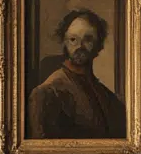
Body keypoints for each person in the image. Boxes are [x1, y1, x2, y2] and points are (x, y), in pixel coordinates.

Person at [26, 9, 126, 140]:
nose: (80, 46)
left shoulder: (108, 97)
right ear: (64, 43)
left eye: (88, 39)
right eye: (73, 39)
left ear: (99, 45)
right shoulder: (47, 93)